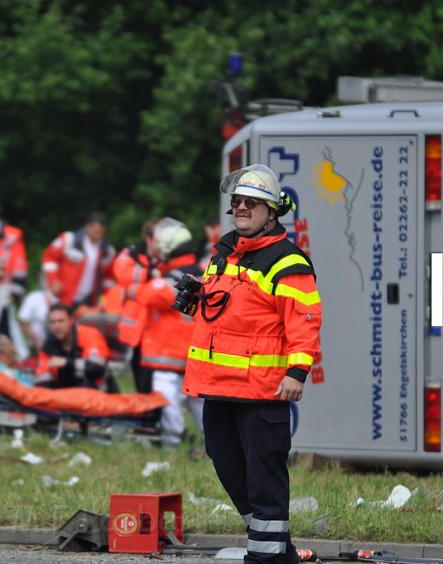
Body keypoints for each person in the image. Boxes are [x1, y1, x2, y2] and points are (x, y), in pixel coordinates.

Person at [183, 164, 321, 564]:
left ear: (271, 212)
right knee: (225, 461)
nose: (241, 208)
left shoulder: (286, 261)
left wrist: (297, 371)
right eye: (237, 202)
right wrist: (197, 298)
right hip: (217, 386)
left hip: (261, 390)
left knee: (264, 475)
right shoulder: (223, 252)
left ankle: (266, 556)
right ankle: (277, 548)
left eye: (252, 203)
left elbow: (305, 318)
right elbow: (222, 315)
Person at [135, 218, 203, 445]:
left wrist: (151, 277)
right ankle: (213, 448)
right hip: (195, 356)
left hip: (170, 358)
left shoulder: (174, 278)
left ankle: (175, 444)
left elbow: (148, 295)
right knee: (201, 407)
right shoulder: (202, 272)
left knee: (168, 403)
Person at [113, 218, 159, 393]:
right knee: (138, 367)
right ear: (148, 238)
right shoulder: (131, 254)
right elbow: (122, 273)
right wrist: (150, 274)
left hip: (157, 325)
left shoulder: (166, 257)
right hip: (136, 326)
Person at [41, 212, 115, 308]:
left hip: (88, 302)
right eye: (96, 231)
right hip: (62, 297)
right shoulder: (69, 239)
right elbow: (49, 257)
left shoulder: (108, 251)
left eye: (101, 233)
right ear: (87, 227)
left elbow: (107, 279)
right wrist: (53, 280)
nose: (98, 235)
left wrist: (103, 299)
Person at [35, 303, 111, 390]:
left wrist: (67, 363)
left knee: (86, 383)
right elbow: (42, 379)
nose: (57, 326)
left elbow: (97, 369)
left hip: (98, 394)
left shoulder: (90, 335)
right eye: (53, 322)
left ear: (71, 320)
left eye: (61, 321)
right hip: (66, 394)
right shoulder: (48, 347)